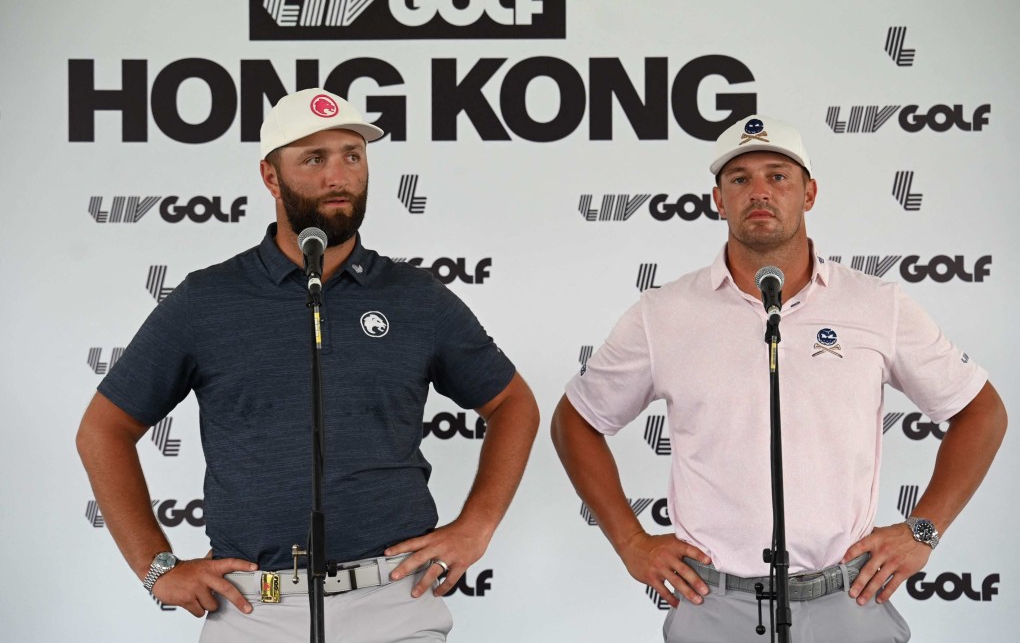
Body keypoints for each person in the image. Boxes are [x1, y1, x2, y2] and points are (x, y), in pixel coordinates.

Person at [76, 88, 540, 642]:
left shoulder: (415, 297)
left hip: (393, 602)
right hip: (255, 608)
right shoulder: (207, 300)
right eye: (314, 159)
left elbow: (513, 403)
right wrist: (156, 568)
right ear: (272, 178)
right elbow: (104, 429)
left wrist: (477, 526)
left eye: (352, 154)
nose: (339, 175)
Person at [550, 114, 1006, 642]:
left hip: (848, 599)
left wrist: (923, 529)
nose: (759, 191)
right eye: (739, 179)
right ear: (717, 200)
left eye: (778, 176)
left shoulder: (877, 305)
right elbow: (577, 420)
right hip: (715, 605)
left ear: (809, 193)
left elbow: (980, 410)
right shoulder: (663, 313)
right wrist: (630, 540)